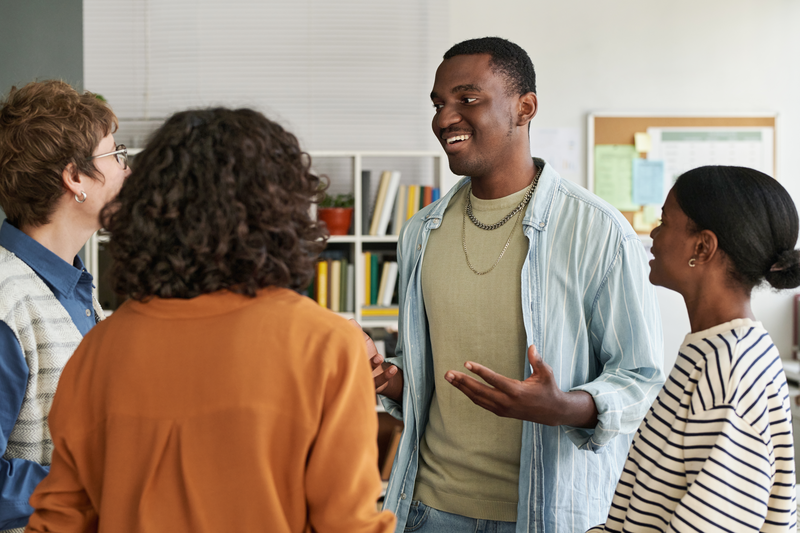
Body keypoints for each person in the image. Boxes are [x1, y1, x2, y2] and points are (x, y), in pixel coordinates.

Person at [24, 107, 396, 533]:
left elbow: (60, 522)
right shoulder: (325, 344)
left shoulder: (98, 349)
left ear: (149, 212)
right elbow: (348, 525)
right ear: (280, 210)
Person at [362, 37, 665, 532]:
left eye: (468, 99)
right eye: (439, 103)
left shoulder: (597, 230)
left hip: (548, 514)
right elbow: (431, 372)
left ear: (525, 108)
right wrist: (387, 377)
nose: (444, 118)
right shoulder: (421, 232)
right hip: (429, 509)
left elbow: (640, 379)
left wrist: (566, 407)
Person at [588, 166, 799, 532]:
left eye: (664, 221)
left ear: (702, 247)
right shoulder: (715, 348)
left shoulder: (729, 370)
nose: (653, 233)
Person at [0, 80, 128, 533]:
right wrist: (99, 485)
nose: (125, 170)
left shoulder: (73, 283)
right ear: (75, 178)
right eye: (115, 155)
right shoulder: (6, 303)